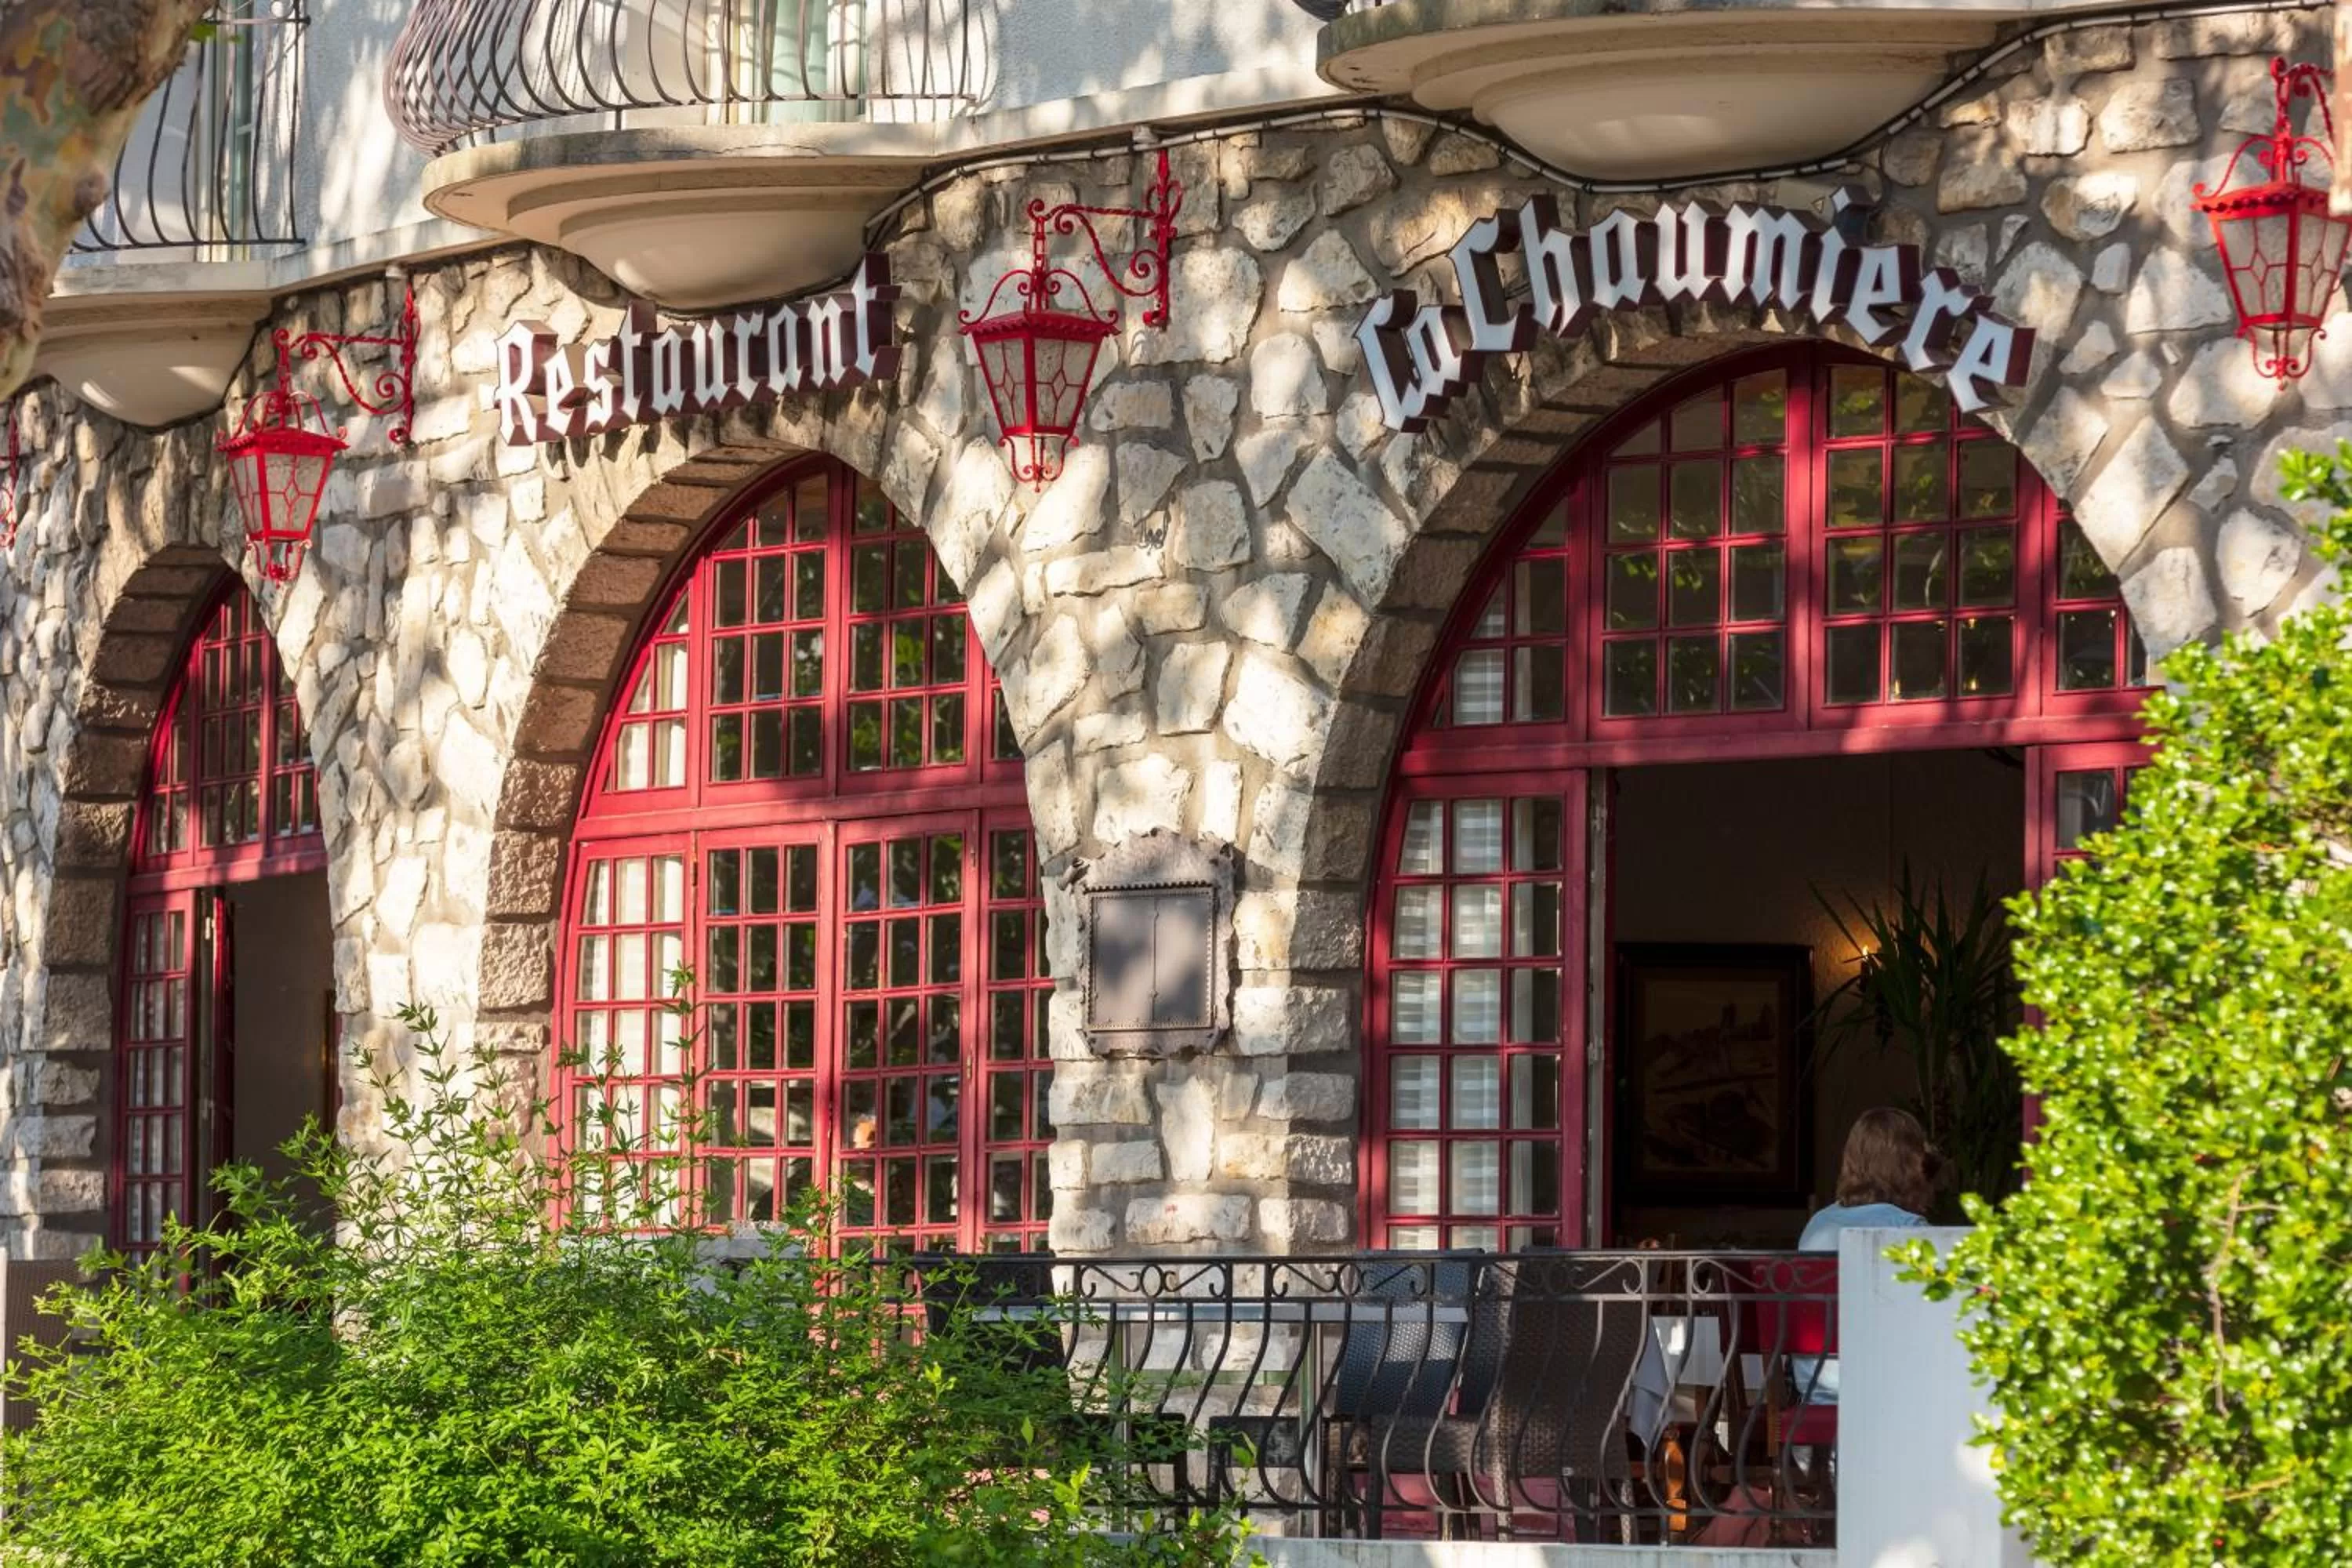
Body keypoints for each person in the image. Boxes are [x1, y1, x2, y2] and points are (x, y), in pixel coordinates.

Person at [1785, 1108, 1940, 1409]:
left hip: (1814, 1401)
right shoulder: (1907, 1230)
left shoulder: (1817, 1225)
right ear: (1912, 1167)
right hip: (1889, 1403)